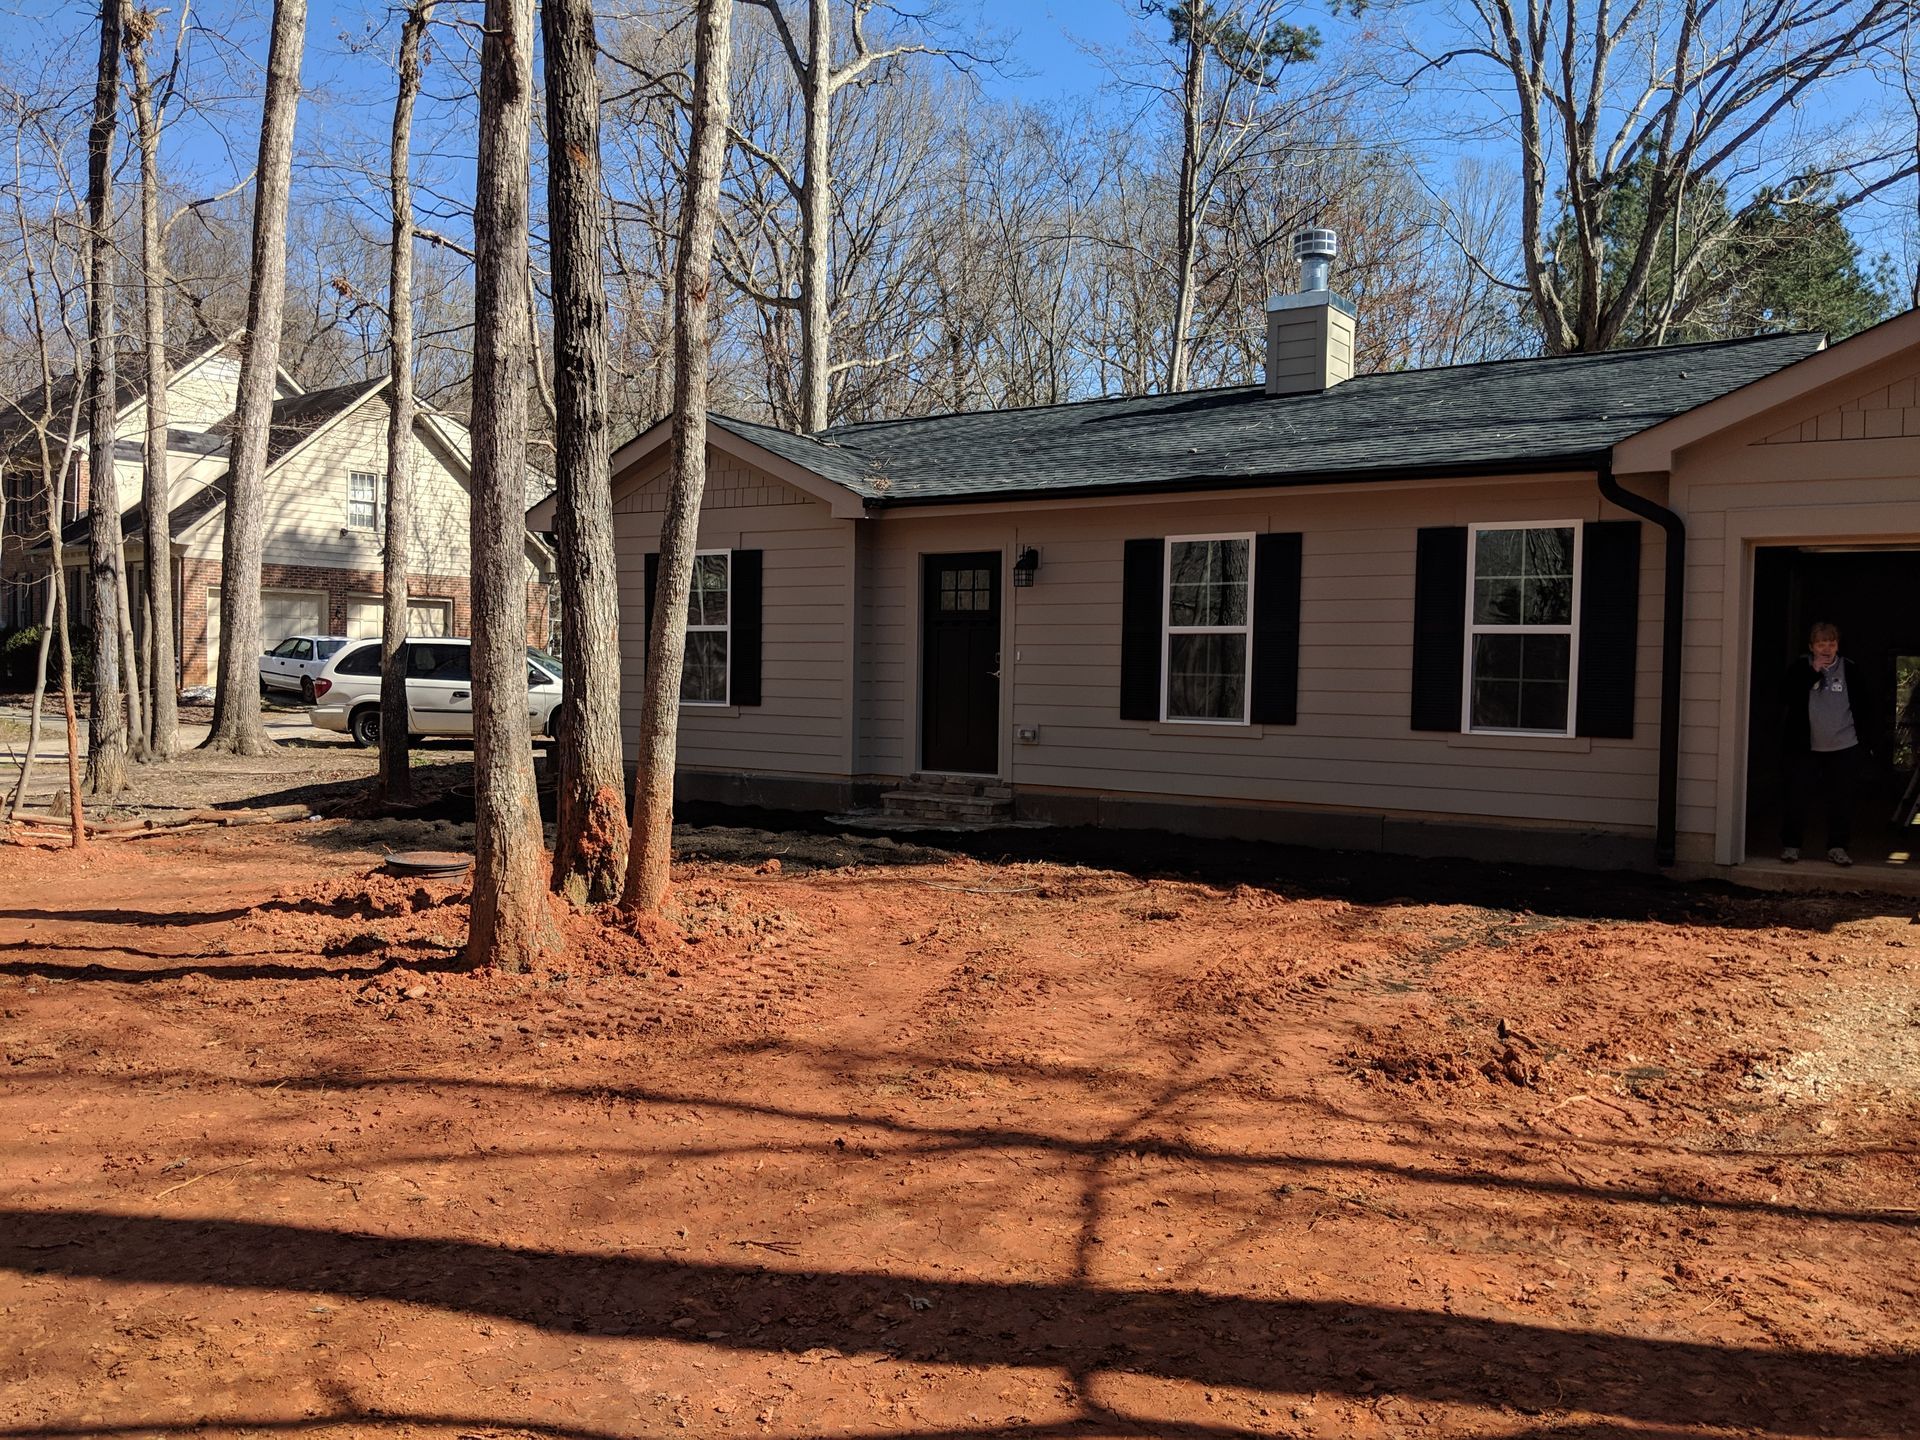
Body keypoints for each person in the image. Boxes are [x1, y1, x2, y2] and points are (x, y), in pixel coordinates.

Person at [1779, 620, 1876, 866]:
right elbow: (1786, 695)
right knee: (1797, 796)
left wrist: (1865, 741)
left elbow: (1864, 706)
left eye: (1831, 643)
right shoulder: (1800, 667)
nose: (1827, 649)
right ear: (1812, 646)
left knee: (1842, 799)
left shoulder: (1850, 669)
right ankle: (1791, 845)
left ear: (1837, 646)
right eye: (1821, 644)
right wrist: (1813, 670)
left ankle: (1838, 847)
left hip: (1844, 745)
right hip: (1806, 746)